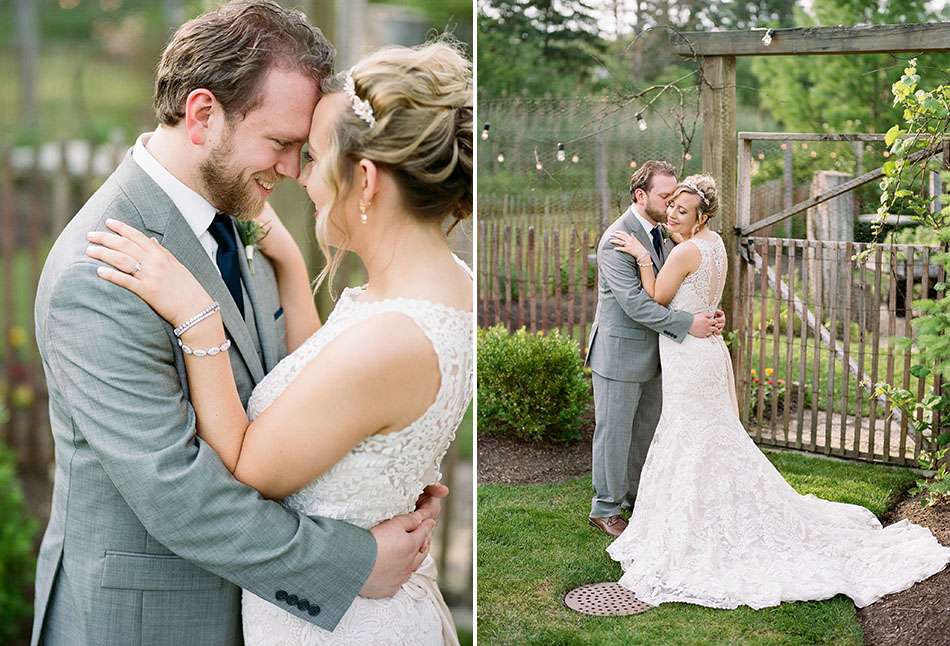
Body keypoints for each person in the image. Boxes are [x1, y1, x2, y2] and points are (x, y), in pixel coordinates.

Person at [32, 2, 463, 645]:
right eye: (283, 143)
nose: (294, 171)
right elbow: (181, 497)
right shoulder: (98, 274)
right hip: (150, 624)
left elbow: (309, 396)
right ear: (204, 115)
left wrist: (379, 472)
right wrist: (353, 561)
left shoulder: (248, 229)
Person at [606, 174, 950, 609]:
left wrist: (640, 256)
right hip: (706, 352)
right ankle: (711, 512)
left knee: (692, 434)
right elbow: (700, 295)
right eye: (671, 204)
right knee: (711, 436)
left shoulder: (684, 251)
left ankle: (697, 526)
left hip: (689, 354)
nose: (673, 212)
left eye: (682, 209)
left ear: (701, 217)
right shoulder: (714, 246)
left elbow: (655, 297)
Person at [585, 160, 724, 537]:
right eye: (665, 196)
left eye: (675, 196)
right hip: (620, 354)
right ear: (640, 195)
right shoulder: (617, 239)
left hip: (661, 354)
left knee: (645, 431)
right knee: (615, 433)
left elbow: (677, 286)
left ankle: (636, 497)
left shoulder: (666, 233)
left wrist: (703, 310)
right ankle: (606, 508)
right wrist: (688, 324)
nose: (671, 202)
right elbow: (636, 304)